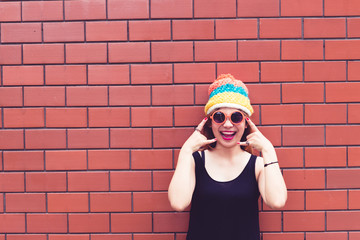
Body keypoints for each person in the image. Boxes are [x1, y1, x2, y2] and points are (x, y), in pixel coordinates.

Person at [168, 74, 287, 240]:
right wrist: (186, 150)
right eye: (219, 117)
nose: (228, 124)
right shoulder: (196, 161)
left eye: (236, 117)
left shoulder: (258, 165)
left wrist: (268, 149)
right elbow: (178, 203)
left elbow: (277, 202)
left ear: (246, 123)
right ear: (210, 122)